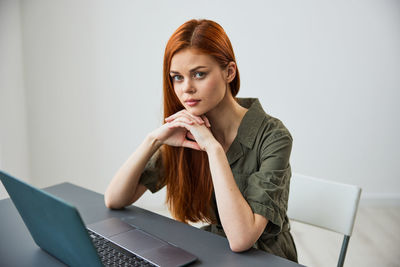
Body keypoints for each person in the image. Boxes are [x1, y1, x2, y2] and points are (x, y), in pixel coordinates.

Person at [104, 19, 297, 262]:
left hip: (265, 258)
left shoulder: (273, 136)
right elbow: (114, 199)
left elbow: (241, 239)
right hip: (211, 249)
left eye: (199, 74)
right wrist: (153, 140)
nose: (187, 89)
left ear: (229, 72)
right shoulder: (188, 128)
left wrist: (212, 148)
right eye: (177, 77)